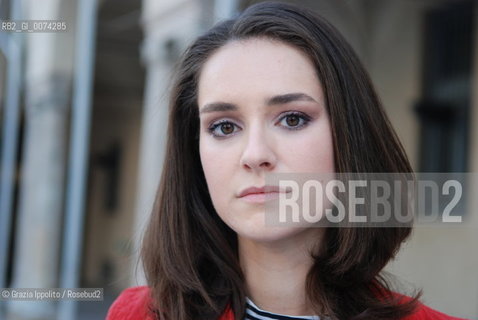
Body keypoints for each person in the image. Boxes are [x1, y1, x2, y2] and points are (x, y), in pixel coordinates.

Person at [106, 2, 468, 319]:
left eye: (292, 118)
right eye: (224, 126)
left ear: (351, 136)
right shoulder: (138, 315)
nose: (255, 155)